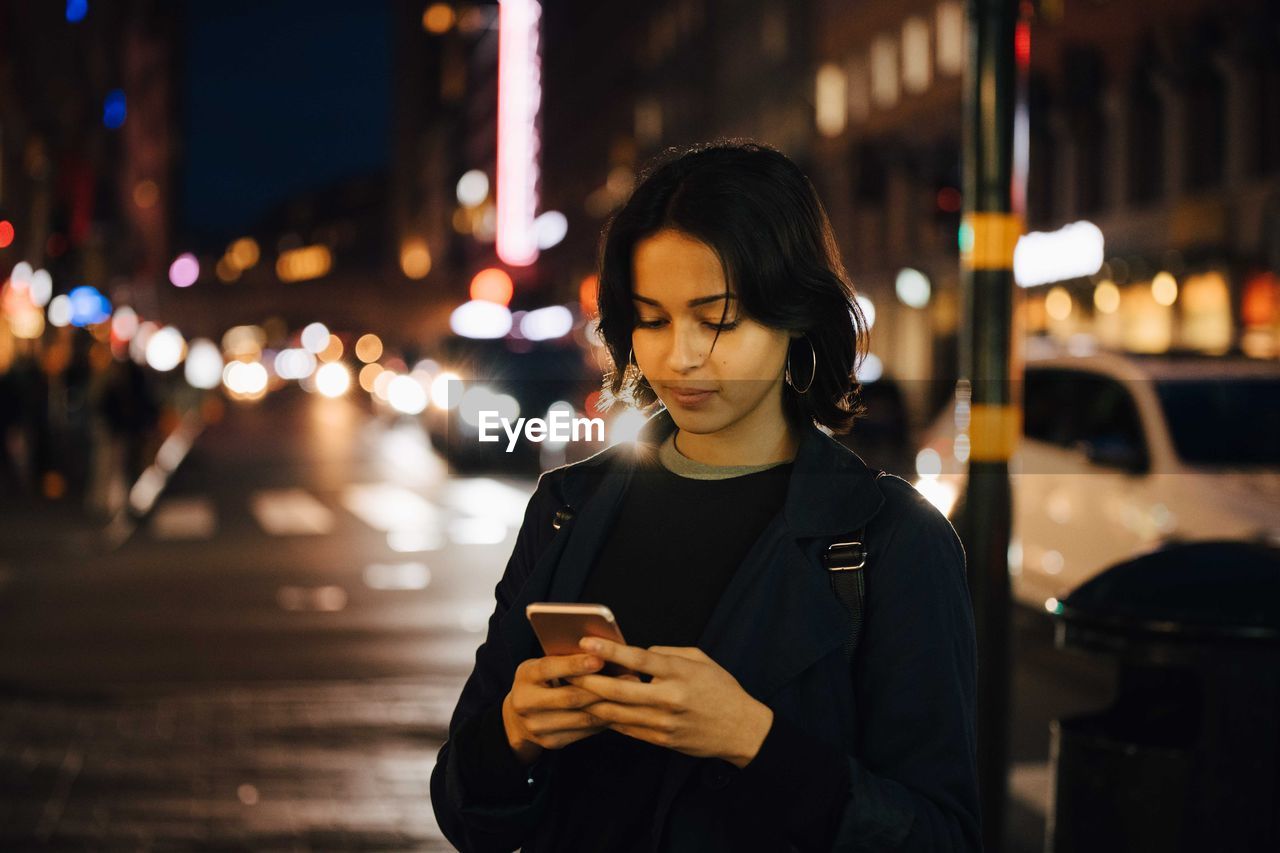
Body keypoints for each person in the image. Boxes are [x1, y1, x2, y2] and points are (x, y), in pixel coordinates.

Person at [430, 140, 981, 852]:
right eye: (652, 319)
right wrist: (513, 736)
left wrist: (753, 740)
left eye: (716, 318)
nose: (680, 355)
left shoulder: (889, 539)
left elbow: (942, 836)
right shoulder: (569, 505)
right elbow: (460, 802)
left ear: (794, 314)